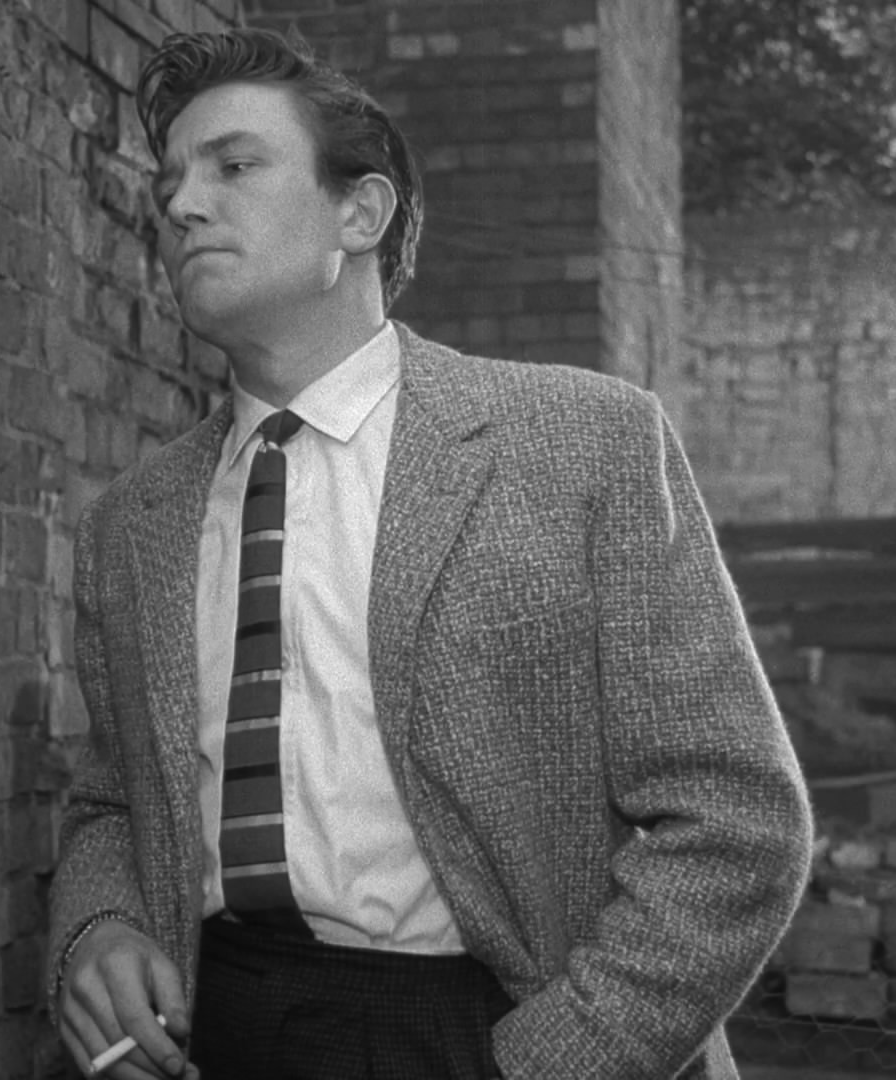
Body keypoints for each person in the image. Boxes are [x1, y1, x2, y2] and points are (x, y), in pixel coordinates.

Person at [46, 27, 812, 1080]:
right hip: (218, 1029)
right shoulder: (127, 526)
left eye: (233, 166)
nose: (181, 204)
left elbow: (736, 822)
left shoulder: (583, 444)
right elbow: (112, 806)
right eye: (170, 179)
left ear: (359, 213)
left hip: (498, 1026)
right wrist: (97, 930)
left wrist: (545, 1064)